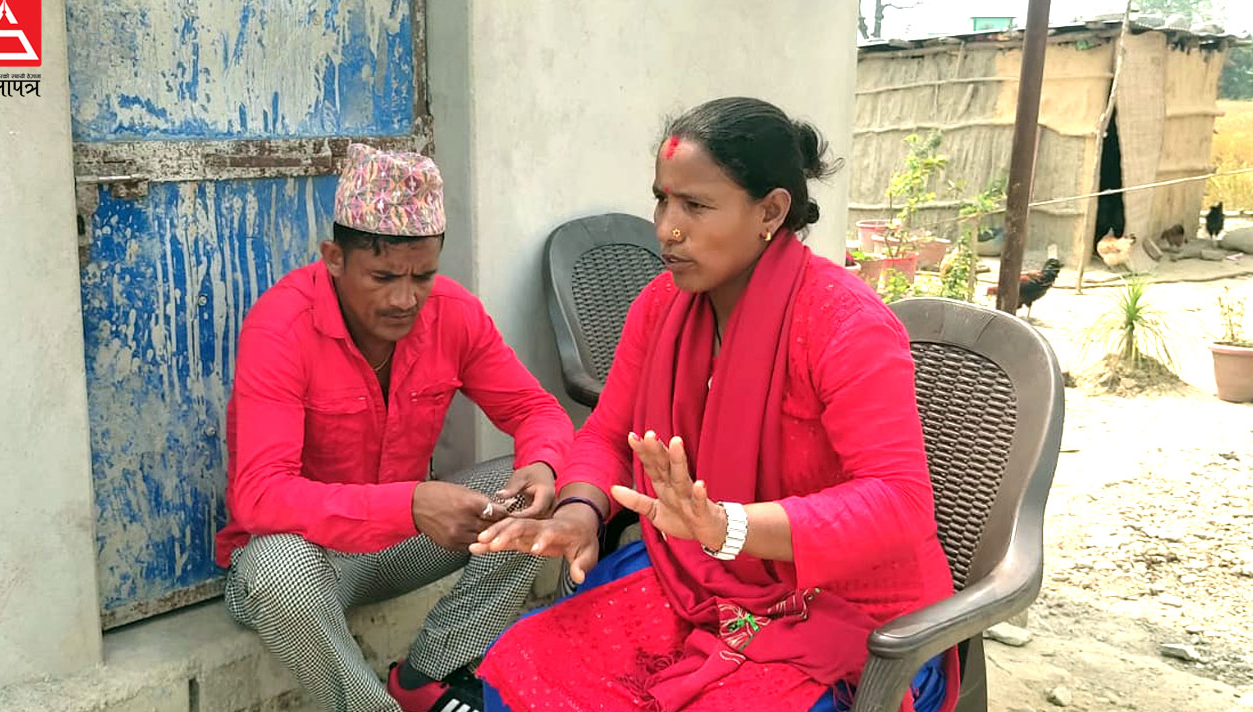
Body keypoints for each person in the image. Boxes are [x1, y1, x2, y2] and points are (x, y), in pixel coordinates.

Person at [471, 98, 960, 712]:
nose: (667, 229)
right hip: (701, 583)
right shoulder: (660, 306)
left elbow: (899, 502)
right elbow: (606, 435)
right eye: (662, 200)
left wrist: (728, 527)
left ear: (771, 211)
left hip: (845, 617)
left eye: (696, 206)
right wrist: (579, 512)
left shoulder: (844, 324)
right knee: (523, 662)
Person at [215, 143, 574, 712]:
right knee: (276, 568)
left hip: (401, 547)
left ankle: (429, 677)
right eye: (382, 277)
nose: (405, 299)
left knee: (539, 490)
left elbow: (537, 411)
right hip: (314, 561)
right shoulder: (281, 328)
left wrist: (544, 464)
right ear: (335, 258)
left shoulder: (453, 314)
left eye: (422, 276)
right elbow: (258, 496)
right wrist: (410, 504)